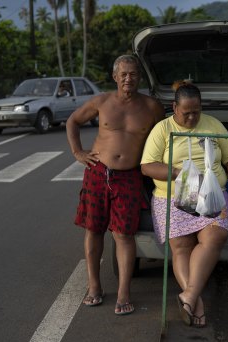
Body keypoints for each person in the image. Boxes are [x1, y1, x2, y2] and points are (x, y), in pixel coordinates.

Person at [66, 55, 165, 315]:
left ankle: (123, 293)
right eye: (123, 74)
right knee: (94, 229)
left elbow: (163, 138)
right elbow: (73, 121)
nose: (128, 79)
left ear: (139, 77)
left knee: (123, 234)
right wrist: (78, 152)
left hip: (130, 176)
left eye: (133, 74)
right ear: (114, 76)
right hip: (98, 173)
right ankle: (94, 286)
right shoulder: (101, 102)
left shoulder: (152, 107)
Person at [141, 80, 228, 327]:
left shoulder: (213, 125)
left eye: (196, 111)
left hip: (211, 195)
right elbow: (147, 166)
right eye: (186, 113)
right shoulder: (162, 129)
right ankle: (194, 300)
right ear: (175, 108)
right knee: (181, 246)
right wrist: (179, 173)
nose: (191, 117)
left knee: (215, 237)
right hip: (172, 198)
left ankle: (189, 295)